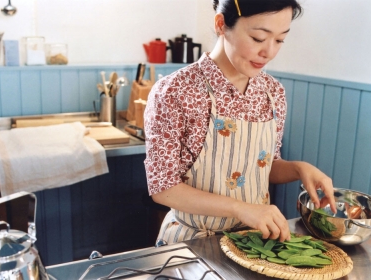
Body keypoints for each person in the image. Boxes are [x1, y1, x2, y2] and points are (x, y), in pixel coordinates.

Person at [143, 0, 337, 246]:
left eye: (279, 40)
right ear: (221, 24)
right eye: (258, 38)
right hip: (191, 242)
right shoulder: (175, 91)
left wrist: (299, 168)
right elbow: (164, 188)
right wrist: (240, 208)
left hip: (253, 243)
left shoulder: (272, 92)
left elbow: (265, 165)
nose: (269, 52)